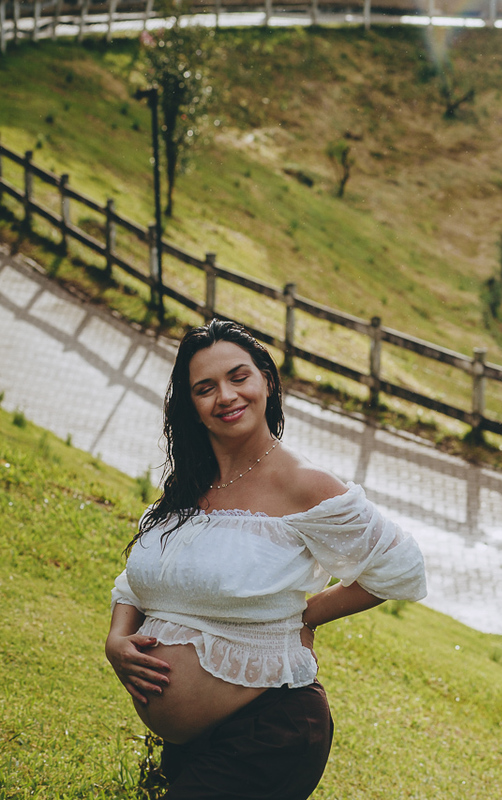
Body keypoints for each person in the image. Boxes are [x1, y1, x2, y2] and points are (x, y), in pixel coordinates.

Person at [105, 319, 426, 798]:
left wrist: (304, 616)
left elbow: (401, 567)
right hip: (195, 743)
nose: (227, 396)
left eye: (239, 377)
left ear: (267, 382)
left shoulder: (303, 483)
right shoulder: (186, 489)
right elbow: (137, 581)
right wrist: (116, 639)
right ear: (190, 407)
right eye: (205, 388)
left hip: (271, 731)